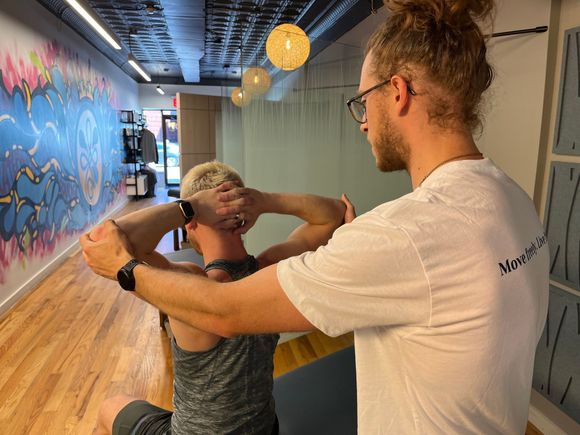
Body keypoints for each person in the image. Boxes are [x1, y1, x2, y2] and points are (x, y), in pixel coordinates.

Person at [82, 0, 550, 433]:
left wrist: (125, 267)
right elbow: (329, 221)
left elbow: (224, 310)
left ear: (399, 93)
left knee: (111, 406)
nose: (363, 121)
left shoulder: (404, 235)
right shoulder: (510, 197)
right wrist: (261, 201)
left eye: (363, 102)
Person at [92, 161, 348, 435]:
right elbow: (334, 215)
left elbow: (106, 240)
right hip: (263, 429)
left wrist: (188, 207)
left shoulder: (190, 284)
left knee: (110, 407)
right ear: (241, 215)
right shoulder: (270, 271)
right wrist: (263, 201)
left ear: (189, 224)